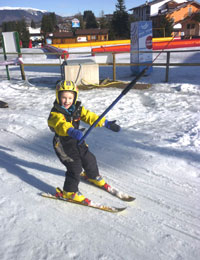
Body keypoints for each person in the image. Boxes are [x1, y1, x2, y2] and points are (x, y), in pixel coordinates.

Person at [48, 80, 120, 202]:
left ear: (75, 97)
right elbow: (60, 124)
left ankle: (92, 176)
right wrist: (70, 130)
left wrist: (105, 123)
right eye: (63, 97)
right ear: (58, 97)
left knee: (89, 158)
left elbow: (90, 116)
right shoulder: (55, 113)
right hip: (63, 144)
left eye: (70, 98)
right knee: (74, 167)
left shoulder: (77, 109)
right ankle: (69, 192)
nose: (67, 101)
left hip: (77, 140)